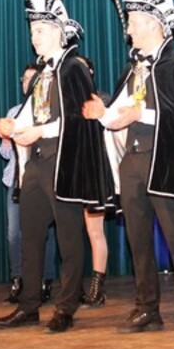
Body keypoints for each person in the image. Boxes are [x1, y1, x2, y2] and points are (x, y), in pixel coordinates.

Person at [83, 0, 174, 341]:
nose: (129, 30)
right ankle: (147, 307)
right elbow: (119, 115)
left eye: (134, 22)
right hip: (134, 161)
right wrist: (103, 114)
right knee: (138, 239)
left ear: (155, 24)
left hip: (164, 161)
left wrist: (141, 113)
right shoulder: (133, 68)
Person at [0, 0, 113, 333]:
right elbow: (30, 116)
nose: (35, 38)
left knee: (69, 240)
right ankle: (29, 305)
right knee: (30, 237)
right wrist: (11, 126)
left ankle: (66, 308)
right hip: (37, 165)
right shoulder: (42, 75)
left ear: (59, 32)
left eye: (41, 30)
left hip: (65, 163)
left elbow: (79, 117)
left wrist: (37, 132)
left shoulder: (74, 68)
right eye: (32, 31)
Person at [0, 63, 58, 306]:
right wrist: (6, 142)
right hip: (17, 180)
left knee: (47, 233)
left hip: (44, 179)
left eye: (33, 79)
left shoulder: (50, 110)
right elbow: (5, 153)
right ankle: (18, 280)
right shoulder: (14, 112)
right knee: (14, 233)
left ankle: (45, 281)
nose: (28, 83)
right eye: (24, 79)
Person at [75, 55, 108, 307]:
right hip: (68, 173)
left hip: (93, 172)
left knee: (94, 231)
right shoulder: (61, 101)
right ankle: (71, 286)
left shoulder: (102, 99)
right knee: (68, 233)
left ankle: (97, 288)